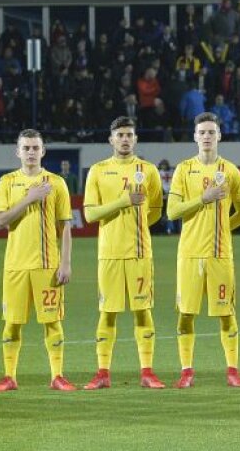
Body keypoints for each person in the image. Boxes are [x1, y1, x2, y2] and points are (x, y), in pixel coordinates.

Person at [165, 112, 240, 388]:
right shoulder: (183, 170)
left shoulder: (230, 172)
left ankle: (233, 370)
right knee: (186, 314)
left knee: (227, 313)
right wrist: (204, 198)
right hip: (189, 253)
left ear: (219, 136)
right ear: (194, 137)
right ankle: (186, 370)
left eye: (211, 132)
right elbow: (172, 211)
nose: (206, 137)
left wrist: (225, 227)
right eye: (202, 132)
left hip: (220, 254)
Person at [81, 117, 165, 390]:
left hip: (140, 253)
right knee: (108, 312)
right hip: (109, 254)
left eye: (129, 134)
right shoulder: (97, 171)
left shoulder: (149, 170)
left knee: (143, 311)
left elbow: (155, 212)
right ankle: (102, 373)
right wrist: (123, 202)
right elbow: (90, 214)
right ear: (111, 140)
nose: (125, 139)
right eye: (120, 135)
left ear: (136, 139)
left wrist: (136, 226)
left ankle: (147, 372)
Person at [0, 130, 75, 392]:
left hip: (47, 264)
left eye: (35, 148)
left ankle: (57, 375)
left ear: (43, 151)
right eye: (25, 148)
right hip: (15, 265)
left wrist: (66, 263)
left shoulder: (56, 183)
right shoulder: (7, 182)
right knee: (12, 322)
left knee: (52, 321)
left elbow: (66, 227)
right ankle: (9, 376)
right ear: (18, 151)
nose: (30, 152)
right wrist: (29, 198)